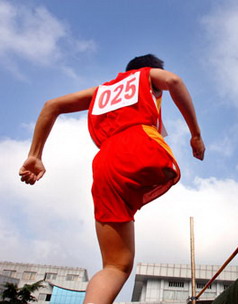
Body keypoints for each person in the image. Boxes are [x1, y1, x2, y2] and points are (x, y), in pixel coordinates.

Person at [18, 54, 205, 304]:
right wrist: (195, 135)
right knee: (158, 167)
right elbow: (173, 80)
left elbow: (51, 105)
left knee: (115, 266)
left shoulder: (100, 91)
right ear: (149, 69)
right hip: (140, 144)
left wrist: (35, 155)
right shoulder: (147, 76)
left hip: (105, 162)